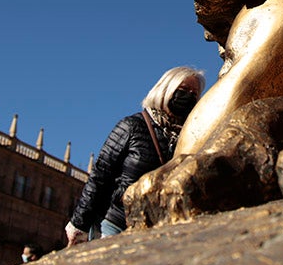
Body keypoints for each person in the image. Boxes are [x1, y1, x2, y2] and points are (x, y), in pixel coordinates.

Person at [65, 66, 205, 244]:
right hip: (115, 224)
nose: (188, 97)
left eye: (194, 94)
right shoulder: (132, 126)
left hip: (156, 230)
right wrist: (79, 223)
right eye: (183, 90)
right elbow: (100, 175)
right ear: (165, 90)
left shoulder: (190, 138)